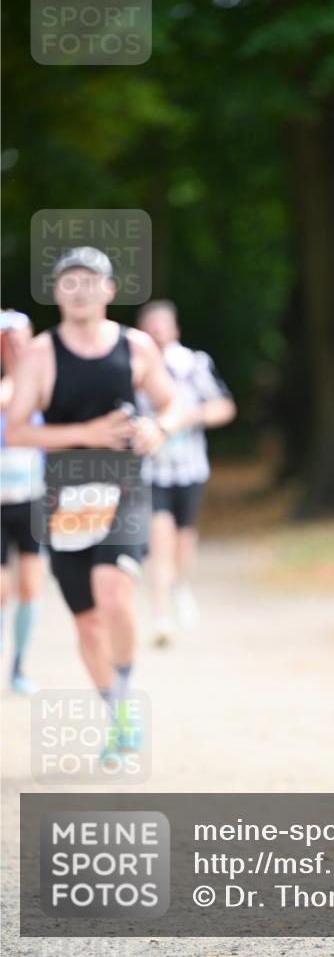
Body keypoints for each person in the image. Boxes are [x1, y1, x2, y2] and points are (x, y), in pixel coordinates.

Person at [5, 248, 177, 761]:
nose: (79, 290)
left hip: (124, 487)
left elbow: (171, 402)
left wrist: (158, 426)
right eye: (68, 282)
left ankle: (123, 689)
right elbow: (14, 430)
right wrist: (86, 433)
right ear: (56, 292)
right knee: (86, 621)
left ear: (109, 289)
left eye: (90, 280)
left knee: (113, 591)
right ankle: (116, 707)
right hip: (61, 501)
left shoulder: (136, 346)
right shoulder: (40, 354)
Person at [136, 300, 236, 646]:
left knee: (183, 541)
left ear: (174, 330)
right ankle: (161, 615)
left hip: (190, 468)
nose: (156, 331)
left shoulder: (194, 364)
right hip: (151, 472)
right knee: (159, 540)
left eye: (162, 325)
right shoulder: (133, 368)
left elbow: (224, 407)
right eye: (150, 325)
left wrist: (188, 416)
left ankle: (179, 585)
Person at [0, 311, 45, 694]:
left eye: (20, 339)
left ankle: (19, 666)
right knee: (0, 588)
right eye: (7, 340)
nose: (15, 346)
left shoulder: (43, 384)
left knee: (31, 585)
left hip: (31, 497)